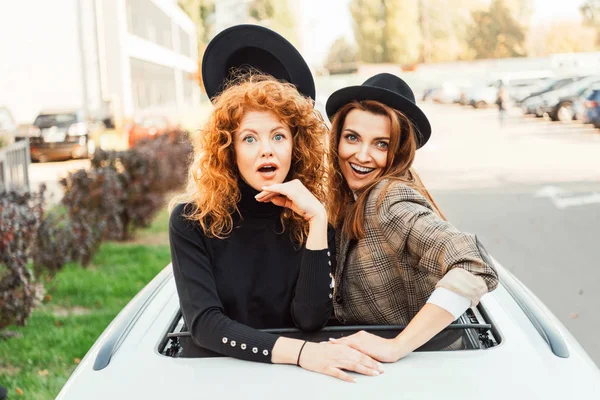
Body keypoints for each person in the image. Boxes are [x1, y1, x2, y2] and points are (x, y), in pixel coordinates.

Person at [169, 24, 383, 382]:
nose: (266, 148)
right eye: (249, 138)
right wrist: (300, 354)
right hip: (222, 378)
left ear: (295, 145)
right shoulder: (192, 221)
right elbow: (205, 324)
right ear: (229, 149)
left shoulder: (314, 217)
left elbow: (311, 320)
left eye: (278, 135)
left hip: (305, 380)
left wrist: (316, 220)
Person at [323, 73, 499, 362]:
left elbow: (473, 263)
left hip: (423, 370)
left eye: (381, 144)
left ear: (399, 151)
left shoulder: (388, 200)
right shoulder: (353, 197)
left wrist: (397, 346)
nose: (362, 155)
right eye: (352, 138)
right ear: (337, 139)